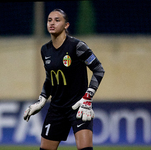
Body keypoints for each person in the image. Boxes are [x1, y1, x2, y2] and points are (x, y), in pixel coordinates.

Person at [23, 8, 105, 150]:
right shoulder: (45, 50)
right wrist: (41, 100)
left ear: (66, 25)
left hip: (78, 107)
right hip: (56, 109)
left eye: (57, 20)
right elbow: (50, 78)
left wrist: (88, 97)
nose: (52, 23)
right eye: (49, 20)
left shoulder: (77, 46)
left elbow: (98, 69)